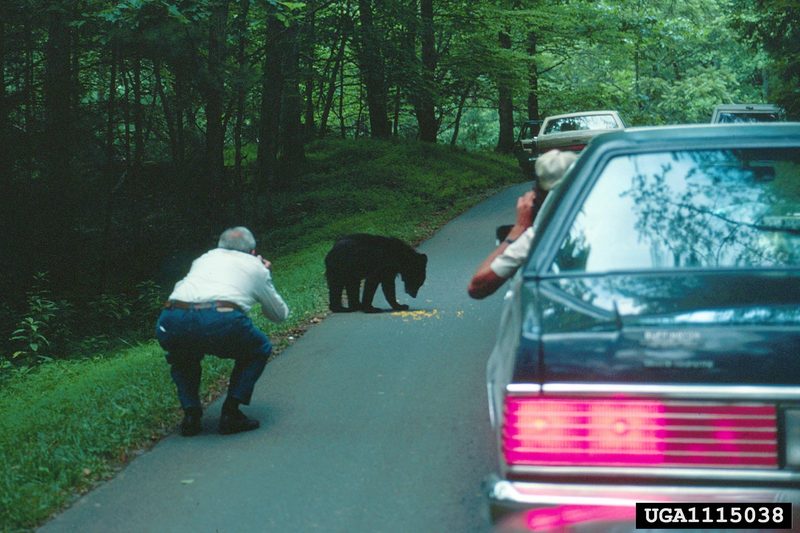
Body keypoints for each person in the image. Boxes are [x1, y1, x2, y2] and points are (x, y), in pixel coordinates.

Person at [156, 226, 290, 436]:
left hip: (172, 318)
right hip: (220, 319)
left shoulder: (203, 259)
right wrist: (265, 274)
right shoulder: (256, 267)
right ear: (253, 251)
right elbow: (279, 315)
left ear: (220, 245)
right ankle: (231, 412)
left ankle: (191, 414)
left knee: (183, 358)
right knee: (259, 348)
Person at [467, 149, 577, 299]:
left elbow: (476, 287)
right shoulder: (606, 222)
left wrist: (518, 230)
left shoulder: (540, 237)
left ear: (539, 196)